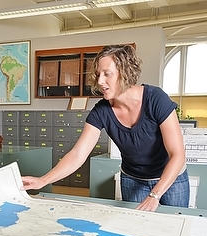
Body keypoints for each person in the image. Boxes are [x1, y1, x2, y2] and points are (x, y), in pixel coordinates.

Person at [22, 44, 190, 211]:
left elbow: (177, 154)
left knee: (175, 224)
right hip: (133, 178)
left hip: (171, 177)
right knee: (137, 230)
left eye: (107, 74)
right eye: (98, 74)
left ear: (125, 73)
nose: (100, 81)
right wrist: (43, 180)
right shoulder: (101, 111)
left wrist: (155, 195)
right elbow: (77, 154)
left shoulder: (156, 99)